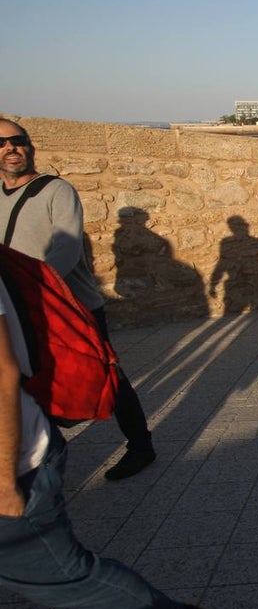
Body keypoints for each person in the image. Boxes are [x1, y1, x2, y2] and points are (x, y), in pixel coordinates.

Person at [0, 263, 206, 609]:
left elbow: (2, 375)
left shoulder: (56, 194)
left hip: (18, 462)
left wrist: (3, 479)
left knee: (58, 572)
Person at [0, 119, 155, 480]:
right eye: (2, 143)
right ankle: (46, 452)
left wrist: (34, 283)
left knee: (106, 374)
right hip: (18, 307)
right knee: (27, 378)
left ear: (30, 146)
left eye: (17, 140)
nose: (11, 148)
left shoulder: (56, 191)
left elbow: (67, 247)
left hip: (68, 303)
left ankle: (140, 444)